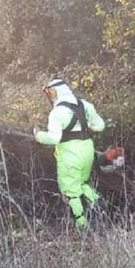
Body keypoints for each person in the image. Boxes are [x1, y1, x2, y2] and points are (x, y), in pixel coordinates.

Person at [34, 78, 106, 228]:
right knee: (82, 183)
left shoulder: (57, 112)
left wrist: (38, 135)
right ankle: (98, 204)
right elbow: (100, 126)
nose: (51, 96)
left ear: (58, 92)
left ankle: (82, 227)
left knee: (70, 192)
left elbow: (54, 138)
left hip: (69, 155)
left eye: (52, 92)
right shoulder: (86, 105)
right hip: (87, 150)